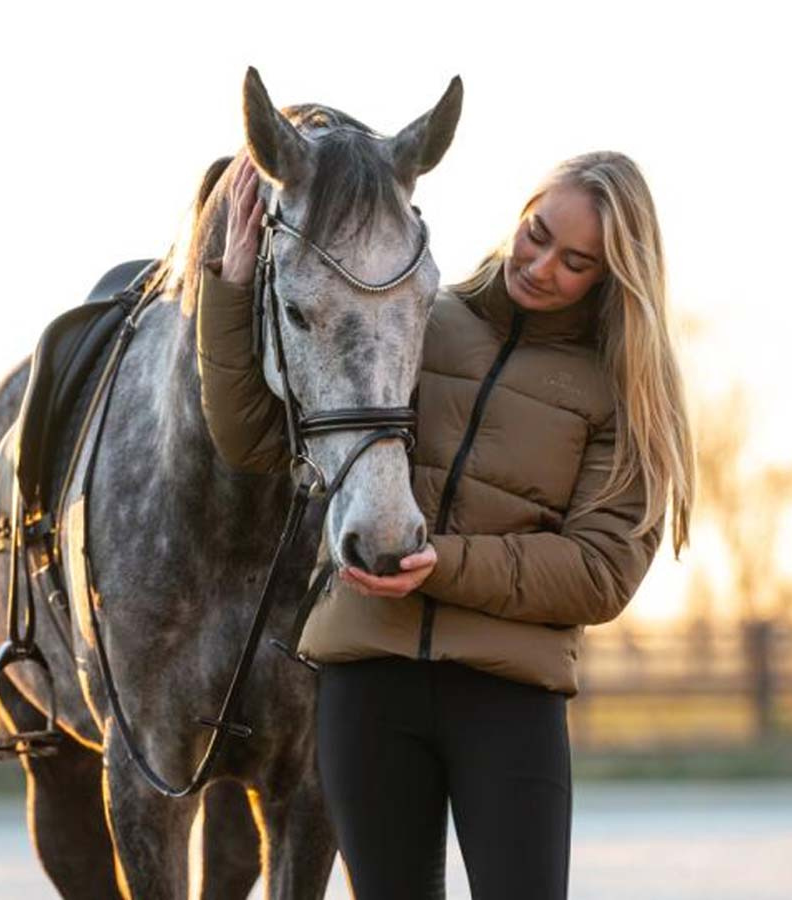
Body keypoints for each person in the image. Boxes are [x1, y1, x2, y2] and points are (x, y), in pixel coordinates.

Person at [196, 151, 694, 898]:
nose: (542, 265)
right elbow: (260, 440)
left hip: (507, 702)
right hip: (367, 689)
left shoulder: (623, 395)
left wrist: (445, 562)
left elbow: (600, 573)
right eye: (538, 233)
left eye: (577, 261)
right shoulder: (419, 320)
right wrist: (231, 291)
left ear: (612, 275)